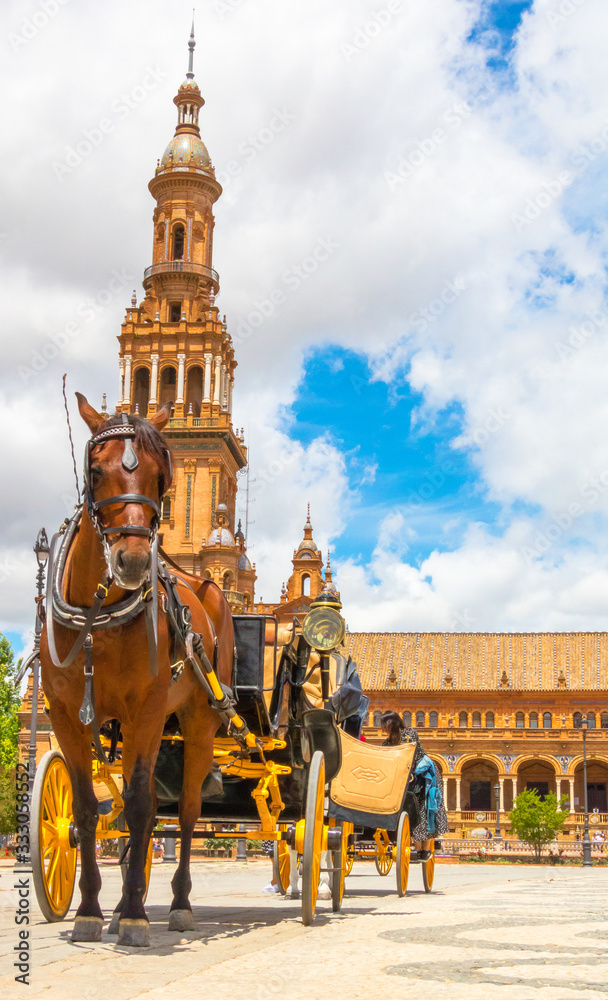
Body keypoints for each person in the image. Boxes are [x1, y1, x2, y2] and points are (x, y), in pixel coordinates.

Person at [380, 710, 449, 858]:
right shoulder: (388, 741)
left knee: (424, 810)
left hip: (423, 775)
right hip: (406, 776)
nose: (383, 727)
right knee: (410, 809)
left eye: (385, 724)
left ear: (393, 723)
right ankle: (415, 847)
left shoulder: (409, 733)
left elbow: (413, 754)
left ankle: (425, 849)